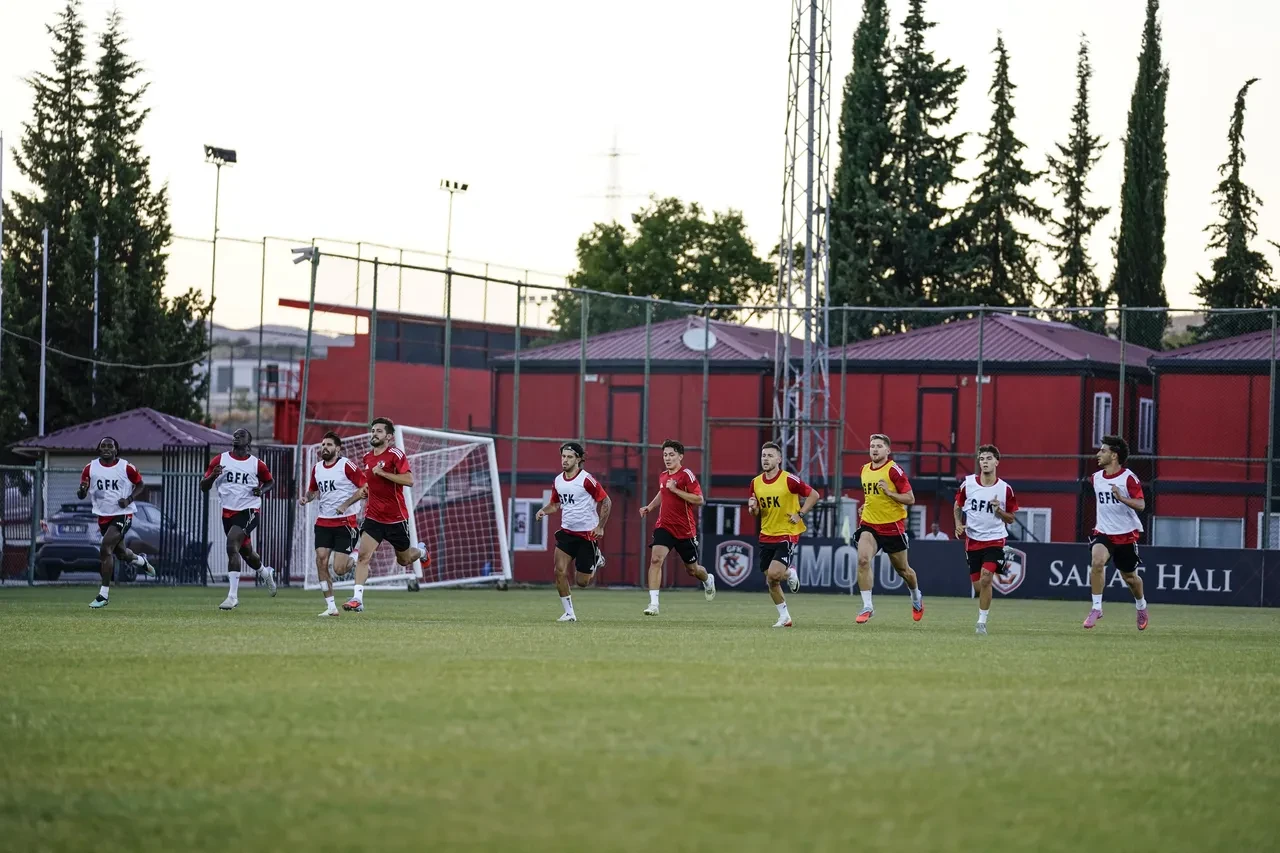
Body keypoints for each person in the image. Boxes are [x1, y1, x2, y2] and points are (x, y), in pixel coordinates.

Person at [339, 417, 430, 612]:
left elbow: (409, 480)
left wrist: (383, 473)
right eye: (373, 430)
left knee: (404, 560)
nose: (374, 434)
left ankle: (422, 552)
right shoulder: (367, 457)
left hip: (396, 519)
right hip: (373, 517)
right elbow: (368, 486)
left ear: (388, 436)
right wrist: (351, 500)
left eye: (379, 431)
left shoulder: (396, 454)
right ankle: (357, 599)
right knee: (363, 556)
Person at [201, 428, 277, 610]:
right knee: (247, 553)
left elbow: (270, 482)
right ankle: (265, 573)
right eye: (235, 435)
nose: (236, 436)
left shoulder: (256, 464)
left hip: (249, 510)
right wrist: (213, 476)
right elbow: (203, 486)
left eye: (241, 435)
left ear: (248, 442)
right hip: (228, 513)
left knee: (231, 545)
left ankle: (232, 597)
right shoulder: (220, 460)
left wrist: (262, 491)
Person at [638, 439, 715, 615]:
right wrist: (650, 507)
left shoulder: (686, 475)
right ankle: (654, 604)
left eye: (671, 454)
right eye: (665, 455)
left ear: (680, 456)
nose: (667, 458)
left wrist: (675, 490)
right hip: (664, 526)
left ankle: (707, 579)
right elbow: (662, 492)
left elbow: (699, 499)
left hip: (684, 530)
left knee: (692, 570)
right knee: (655, 560)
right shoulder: (664, 475)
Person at [747, 441, 819, 628]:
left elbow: (814, 495)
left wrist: (800, 514)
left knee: (773, 574)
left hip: (787, 533)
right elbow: (756, 512)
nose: (766, 459)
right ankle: (785, 616)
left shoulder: (789, 479)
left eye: (770, 456)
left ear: (779, 459)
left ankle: (787, 573)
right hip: (766, 534)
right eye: (764, 456)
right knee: (771, 579)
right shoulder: (755, 483)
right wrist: (753, 509)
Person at [536, 442, 611, 622]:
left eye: (569, 457)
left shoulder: (586, 479)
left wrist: (600, 526)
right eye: (563, 456)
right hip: (567, 533)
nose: (565, 460)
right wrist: (543, 511)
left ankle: (596, 557)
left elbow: (606, 501)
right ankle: (569, 613)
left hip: (587, 536)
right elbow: (555, 505)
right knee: (559, 571)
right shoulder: (558, 481)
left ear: (578, 459)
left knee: (582, 582)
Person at [854, 433, 924, 624]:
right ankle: (867, 606)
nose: (875, 449)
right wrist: (865, 505)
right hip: (869, 524)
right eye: (872, 446)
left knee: (904, 571)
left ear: (888, 450)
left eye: (879, 446)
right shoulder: (864, 469)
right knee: (862, 560)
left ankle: (916, 597)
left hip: (892, 526)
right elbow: (872, 496)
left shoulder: (894, 470)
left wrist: (889, 492)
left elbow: (910, 498)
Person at [78, 437, 155, 608]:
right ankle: (141, 561)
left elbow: (141, 485)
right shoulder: (90, 468)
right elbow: (82, 493)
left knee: (105, 547)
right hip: (103, 516)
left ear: (115, 450)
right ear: (99, 449)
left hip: (123, 514)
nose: (106, 449)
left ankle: (103, 595)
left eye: (110, 446)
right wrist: (82, 490)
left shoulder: (126, 467)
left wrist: (128, 500)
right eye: (103, 446)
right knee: (121, 554)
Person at [1084, 436, 1149, 631]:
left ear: (1114, 456)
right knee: (1097, 562)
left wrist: (1121, 498)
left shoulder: (1128, 478)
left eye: (1103, 451)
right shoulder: (1096, 478)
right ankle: (1096, 608)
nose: (1098, 454)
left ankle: (1141, 606)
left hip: (1125, 535)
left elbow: (1141, 505)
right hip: (1103, 532)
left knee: (1130, 579)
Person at [299, 432, 367, 617]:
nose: (324, 448)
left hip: (346, 522)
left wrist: (345, 504)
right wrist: (306, 498)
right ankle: (331, 607)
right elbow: (313, 490)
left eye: (329, 444)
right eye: (323, 444)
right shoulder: (317, 468)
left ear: (338, 448)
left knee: (339, 569)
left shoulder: (346, 465)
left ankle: (355, 556)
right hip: (323, 521)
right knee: (320, 560)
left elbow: (365, 487)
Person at [954, 445, 1018, 634]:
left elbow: (1011, 518)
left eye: (989, 458)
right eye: (982, 459)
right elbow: (957, 505)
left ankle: (981, 622)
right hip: (973, 540)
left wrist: (999, 511)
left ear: (997, 462)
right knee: (978, 586)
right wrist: (958, 523)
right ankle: (984, 603)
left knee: (986, 578)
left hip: (995, 539)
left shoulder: (1005, 489)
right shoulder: (968, 484)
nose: (985, 462)